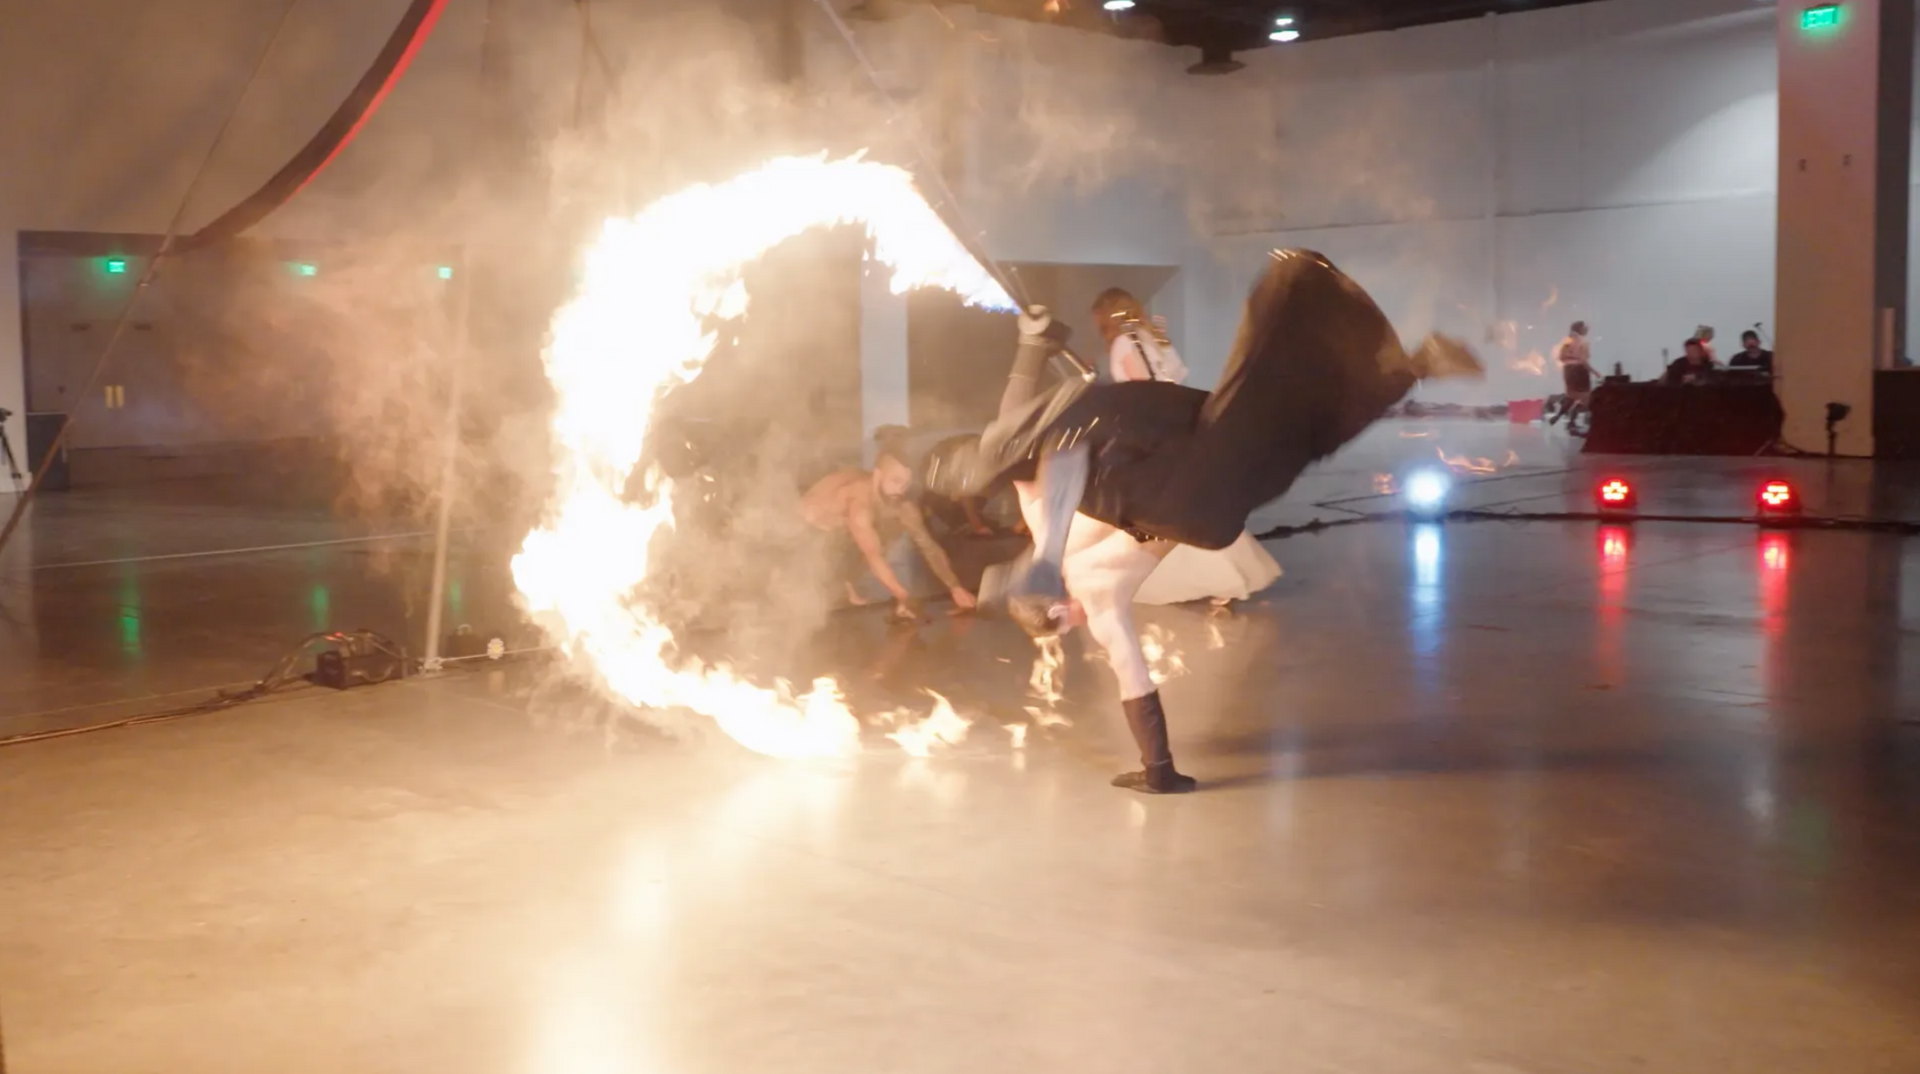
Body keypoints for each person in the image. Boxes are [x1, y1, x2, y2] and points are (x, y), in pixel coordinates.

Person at [937, 249, 1482, 794]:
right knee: (1263, 418)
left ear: (1060, 613)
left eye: (1064, 623)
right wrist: (1030, 349)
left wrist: (1159, 771)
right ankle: (1345, 324)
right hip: (1173, 471)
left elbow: (1133, 678)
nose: (1075, 623)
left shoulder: (1100, 605)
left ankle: (1410, 368)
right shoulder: (1044, 523)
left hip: (1209, 516)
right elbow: (1016, 433)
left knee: (1298, 442)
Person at [1091, 287, 1281, 608]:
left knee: (1156, 511)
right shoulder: (1153, 339)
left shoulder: (1124, 343)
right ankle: (1226, 577)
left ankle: (1210, 578)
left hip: (1148, 434)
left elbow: (1143, 390)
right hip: (1174, 426)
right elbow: (1173, 378)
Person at [800, 429, 976, 620]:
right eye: (895, 481)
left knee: (892, 528)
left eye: (905, 484)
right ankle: (838, 586)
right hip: (806, 527)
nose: (900, 489)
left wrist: (955, 587)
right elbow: (873, 555)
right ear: (877, 475)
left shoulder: (901, 503)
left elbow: (928, 546)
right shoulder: (859, 503)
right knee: (866, 539)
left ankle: (846, 586)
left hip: (841, 527)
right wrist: (903, 596)